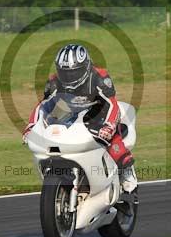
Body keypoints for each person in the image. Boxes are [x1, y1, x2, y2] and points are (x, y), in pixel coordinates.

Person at [23, 44, 137, 192]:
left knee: (110, 135)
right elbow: (43, 105)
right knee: (52, 127)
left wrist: (108, 126)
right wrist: (31, 127)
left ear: (86, 66)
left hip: (97, 108)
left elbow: (112, 104)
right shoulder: (53, 81)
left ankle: (126, 171)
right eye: (64, 72)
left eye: (73, 73)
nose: (69, 77)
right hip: (68, 108)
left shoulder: (100, 77)